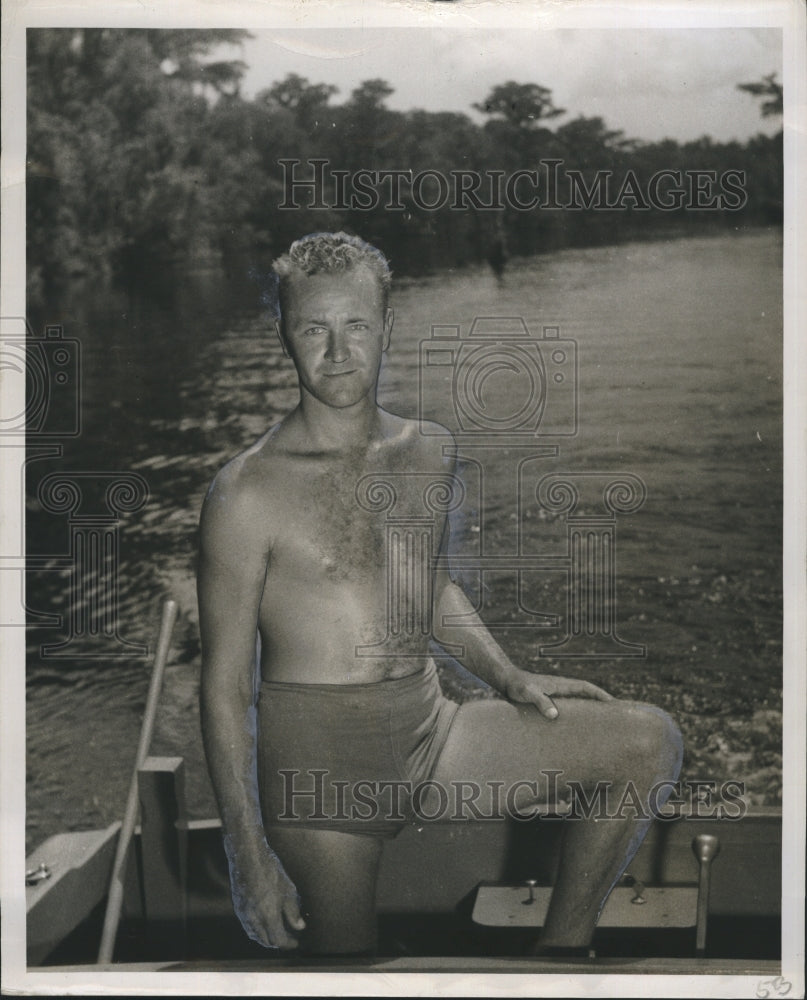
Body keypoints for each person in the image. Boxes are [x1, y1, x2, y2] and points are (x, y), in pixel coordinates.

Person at [197, 231, 683, 957]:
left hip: (431, 731)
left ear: (386, 328)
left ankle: (558, 962)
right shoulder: (243, 492)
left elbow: (423, 585)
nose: (337, 352)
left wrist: (506, 675)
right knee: (349, 969)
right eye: (313, 328)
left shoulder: (428, 449)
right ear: (282, 335)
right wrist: (247, 857)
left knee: (646, 743)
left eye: (356, 326)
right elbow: (225, 688)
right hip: (319, 775)